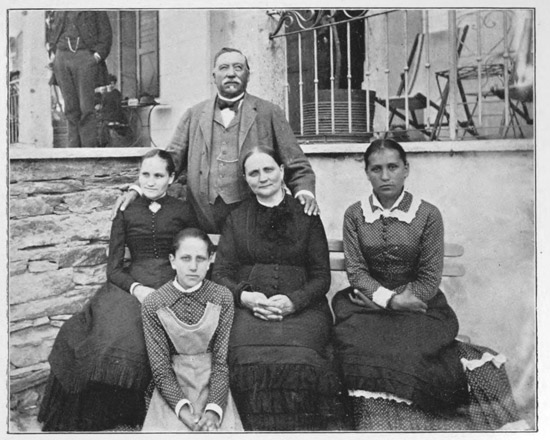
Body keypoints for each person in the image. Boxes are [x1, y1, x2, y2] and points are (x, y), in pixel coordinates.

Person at [331, 139, 523, 430]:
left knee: (409, 349)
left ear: (406, 169)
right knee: (359, 348)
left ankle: (420, 425)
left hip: (420, 305)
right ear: (367, 173)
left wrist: (399, 302)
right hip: (364, 305)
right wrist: (390, 301)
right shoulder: (355, 214)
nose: (385, 176)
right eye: (376, 169)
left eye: (393, 167)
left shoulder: (427, 214)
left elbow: (430, 277)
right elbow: (356, 271)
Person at [38, 150, 196, 431]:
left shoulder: (183, 211)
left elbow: (192, 257)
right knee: (94, 330)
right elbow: (113, 269)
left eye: (158, 175)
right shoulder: (125, 211)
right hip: (131, 285)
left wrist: (176, 288)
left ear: (171, 178)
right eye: (145, 174)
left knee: (134, 334)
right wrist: (137, 289)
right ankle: (98, 416)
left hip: (172, 285)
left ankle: (129, 412)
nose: (150, 181)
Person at [114, 47, 318, 233]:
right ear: (214, 76)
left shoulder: (269, 112)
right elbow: (168, 161)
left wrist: (305, 193)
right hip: (203, 217)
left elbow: (297, 164)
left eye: (238, 67)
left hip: (255, 218)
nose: (231, 73)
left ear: (248, 75)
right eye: (224, 68)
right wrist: (137, 189)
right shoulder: (194, 115)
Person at [212, 147, 345, 431]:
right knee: (243, 356)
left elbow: (321, 277)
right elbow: (220, 273)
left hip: (304, 309)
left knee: (302, 357)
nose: (262, 178)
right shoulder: (236, 218)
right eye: (254, 173)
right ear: (246, 179)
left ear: (282, 171)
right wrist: (245, 297)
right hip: (248, 310)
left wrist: (294, 302)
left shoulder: (307, 214)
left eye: (268, 169)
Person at [141, 228, 243, 432]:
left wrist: (213, 410)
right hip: (172, 385)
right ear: (173, 261)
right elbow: (160, 369)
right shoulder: (154, 303)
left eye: (200, 259)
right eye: (185, 258)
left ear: (210, 260)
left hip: (212, 382)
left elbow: (221, 362)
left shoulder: (222, 297)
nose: (193, 267)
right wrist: (186, 414)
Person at [47, 11, 112, 148]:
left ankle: (88, 151)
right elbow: (50, 29)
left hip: (85, 57)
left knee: (86, 108)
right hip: (62, 56)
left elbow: (106, 33)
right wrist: (53, 54)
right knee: (70, 108)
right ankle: (73, 150)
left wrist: (96, 57)